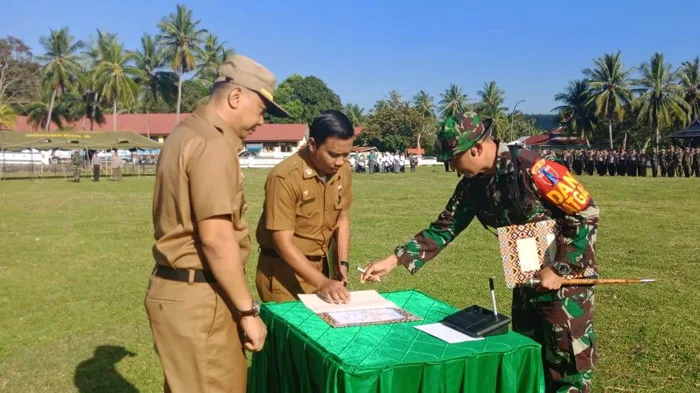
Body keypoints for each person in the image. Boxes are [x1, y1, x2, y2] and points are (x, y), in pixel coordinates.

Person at [361, 112, 600, 393]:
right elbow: (445, 227)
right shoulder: (473, 184)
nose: (451, 168)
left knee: (566, 369)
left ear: (475, 148)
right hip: (526, 280)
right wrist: (395, 259)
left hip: (565, 285)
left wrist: (560, 268)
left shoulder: (535, 169)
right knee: (528, 359)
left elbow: (586, 213)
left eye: (453, 160)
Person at [145, 54, 289, 393]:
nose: (261, 121)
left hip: (179, 292)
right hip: (200, 298)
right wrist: (247, 312)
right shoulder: (213, 144)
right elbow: (216, 239)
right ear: (236, 96)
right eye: (262, 109)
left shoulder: (184, 133)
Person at [255, 110, 354, 304]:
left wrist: (341, 264)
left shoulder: (343, 170)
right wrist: (322, 282)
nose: (340, 162)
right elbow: (281, 242)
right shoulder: (284, 177)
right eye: (333, 154)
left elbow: (342, 220)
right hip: (284, 276)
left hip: (321, 269)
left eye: (346, 154)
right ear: (312, 145)